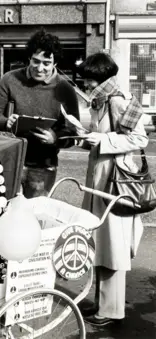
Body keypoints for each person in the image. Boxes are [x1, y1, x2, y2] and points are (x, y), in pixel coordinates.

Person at [76, 52, 148, 327]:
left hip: (116, 184)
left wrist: (103, 139)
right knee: (102, 244)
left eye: (89, 79)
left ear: (100, 78)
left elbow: (139, 138)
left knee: (113, 246)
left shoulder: (118, 100)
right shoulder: (102, 100)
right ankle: (102, 305)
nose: (85, 84)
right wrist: (86, 137)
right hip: (101, 182)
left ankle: (112, 310)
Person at [0, 28, 80, 198]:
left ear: (55, 63)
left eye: (46, 63)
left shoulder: (65, 89)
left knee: (35, 216)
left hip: (43, 166)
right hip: (10, 160)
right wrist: (5, 122)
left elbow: (74, 132)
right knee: (4, 214)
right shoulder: (10, 79)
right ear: (29, 58)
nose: (39, 67)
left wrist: (55, 138)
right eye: (35, 61)